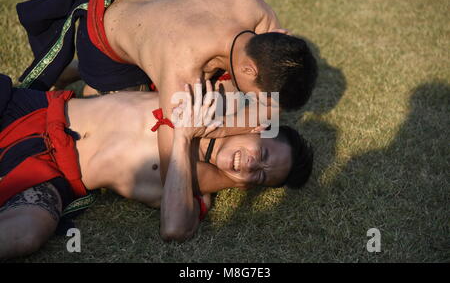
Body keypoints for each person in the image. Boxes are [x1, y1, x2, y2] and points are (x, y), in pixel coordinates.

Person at [16, 0, 318, 188]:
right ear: (250, 70)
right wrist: (209, 130)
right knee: (131, 105)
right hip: (104, 43)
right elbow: (171, 170)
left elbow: (272, 107)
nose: (265, 108)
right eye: (262, 96)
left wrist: (233, 123)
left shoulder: (250, 7)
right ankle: (82, 71)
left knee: (221, 93)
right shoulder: (182, 70)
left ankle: (87, 68)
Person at [0, 74, 314, 259]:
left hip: (51, 177)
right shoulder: (207, 98)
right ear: (257, 130)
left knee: (27, 234)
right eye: (263, 154)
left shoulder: (190, 187)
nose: (250, 166)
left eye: (259, 176)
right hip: (34, 110)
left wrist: (182, 138)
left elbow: (174, 229)